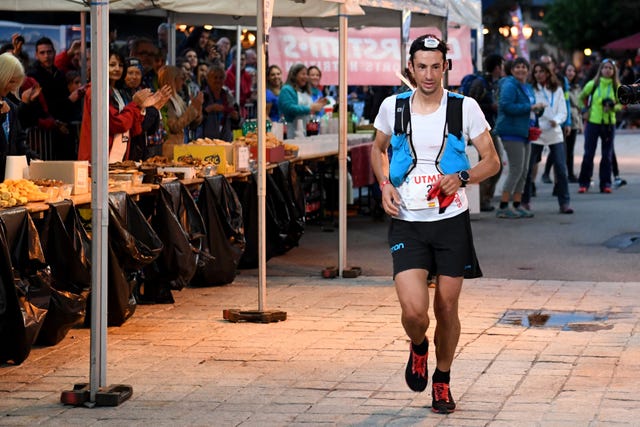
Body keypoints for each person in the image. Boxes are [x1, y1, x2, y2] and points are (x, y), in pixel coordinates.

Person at [369, 34, 499, 414]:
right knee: (414, 313)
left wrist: (462, 178)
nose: (428, 74)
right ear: (411, 67)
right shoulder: (392, 108)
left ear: (446, 67)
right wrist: (384, 185)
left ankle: (442, 379)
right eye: (421, 66)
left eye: (435, 66)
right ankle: (419, 346)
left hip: (451, 221)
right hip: (407, 221)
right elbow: (377, 150)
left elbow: (492, 161)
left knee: (446, 307)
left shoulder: (465, 108)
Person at [78, 51, 159, 162]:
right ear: (101, 65)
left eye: (120, 65)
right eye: (112, 65)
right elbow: (116, 123)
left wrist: (143, 108)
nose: (117, 69)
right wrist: (135, 105)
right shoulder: (95, 90)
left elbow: (133, 128)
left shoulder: (118, 91)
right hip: (101, 157)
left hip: (120, 155)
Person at [494, 57, 545, 218]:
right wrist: (530, 107)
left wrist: (538, 110)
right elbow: (505, 106)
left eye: (524, 67)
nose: (521, 70)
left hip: (524, 131)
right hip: (511, 131)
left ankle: (516, 204)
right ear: (512, 70)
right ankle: (503, 206)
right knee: (516, 170)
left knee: (523, 171)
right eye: (517, 67)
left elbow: (528, 108)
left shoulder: (526, 87)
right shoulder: (510, 85)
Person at [522, 61, 573, 214]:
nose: (538, 74)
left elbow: (564, 110)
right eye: (536, 71)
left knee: (561, 168)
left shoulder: (557, 89)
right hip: (536, 132)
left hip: (554, 131)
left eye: (541, 71)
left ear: (548, 73)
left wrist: (557, 121)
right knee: (528, 167)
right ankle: (524, 201)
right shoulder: (531, 89)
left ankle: (564, 202)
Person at [577, 58, 622, 193]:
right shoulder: (593, 84)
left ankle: (605, 184)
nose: (607, 70)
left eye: (610, 68)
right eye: (605, 68)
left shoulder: (617, 87)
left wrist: (614, 107)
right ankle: (584, 182)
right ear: (600, 70)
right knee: (589, 153)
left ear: (614, 71)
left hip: (609, 123)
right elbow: (580, 98)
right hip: (593, 122)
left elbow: (622, 104)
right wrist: (584, 110)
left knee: (607, 155)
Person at [469, 54, 505, 212]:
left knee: (497, 165)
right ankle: (483, 200)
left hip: (491, 128)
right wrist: (491, 107)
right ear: (497, 67)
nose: (503, 68)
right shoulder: (480, 83)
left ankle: (486, 198)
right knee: (489, 164)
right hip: (480, 131)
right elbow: (471, 105)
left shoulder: (493, 83)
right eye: (502, 65)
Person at [117, 57, 171, 161]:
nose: (134, 77)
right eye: (130, 73)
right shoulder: (119, 94)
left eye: (137, 73)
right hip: (125, 150)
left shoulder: (145, 93)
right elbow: (133, 126)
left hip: (142, 148)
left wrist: (154, 110)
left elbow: (149, 129)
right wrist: (153, 109)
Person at [157, 65, 204, 157]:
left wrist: (197, 107)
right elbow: (175, 127)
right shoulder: (164, 101)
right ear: (172, 80)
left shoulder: (178, 99)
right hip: (170, 150)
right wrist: (193, 108)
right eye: (181, 78)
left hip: (181, 145)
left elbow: (191, 124)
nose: (183, 82)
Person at [0, 52, 31, 178]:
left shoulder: (11, 107)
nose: (13, 88)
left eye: (15, 82)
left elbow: (19, 140)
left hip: (8, 177)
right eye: (11, 81)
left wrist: (33, 159)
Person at [278, 63, 326, 138]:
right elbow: (289, 108)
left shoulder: (305, 91)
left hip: (306, 131)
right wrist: (310, 108)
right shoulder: (286, 89)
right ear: (294, 75)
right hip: (291, 132)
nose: (306, 77)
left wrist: (317, 107)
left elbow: (309, 110)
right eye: (303, 74)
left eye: (306, 74)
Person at [199, 65, 240, 142]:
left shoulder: (229, 96)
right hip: (206, 142)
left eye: (221, 78)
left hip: (225, 140)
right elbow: (194, 121)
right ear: (208, 79)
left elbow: (237, 122)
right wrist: (209, 109)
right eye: (215, 77)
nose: (218, 80)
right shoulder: (202, 96)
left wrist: (235, 117)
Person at [561, 63, 583, 182]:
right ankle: (549, 173)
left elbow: (579, 106)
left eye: (573, 71)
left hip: (574, 120)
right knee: (560, 149)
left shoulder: (577, 87)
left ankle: (570, 174)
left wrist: (581, 124)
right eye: (568, 70)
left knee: (570, 149)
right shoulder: (562, 86)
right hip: (564, 120)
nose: (570, 73)